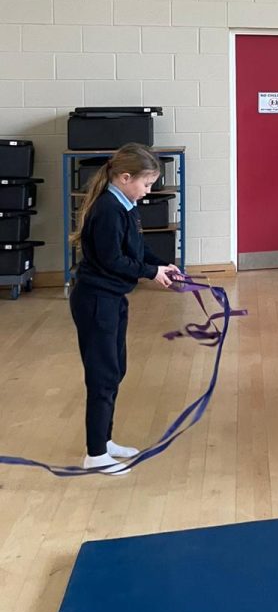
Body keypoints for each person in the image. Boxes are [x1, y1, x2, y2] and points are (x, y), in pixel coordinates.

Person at [69, 143, 182, 473]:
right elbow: (113, 260)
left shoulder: (126, 205)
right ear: (125, 178)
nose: (148, 192)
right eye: (146, 184)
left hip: (113, 298)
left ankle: (104, 441)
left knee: (116, 369)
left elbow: (137, 248)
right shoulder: (108, 209)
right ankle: (95, 454)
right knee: (102, 376)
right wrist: (151, 273)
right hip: (96, 300)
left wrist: (163, 265)